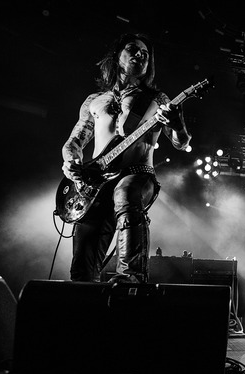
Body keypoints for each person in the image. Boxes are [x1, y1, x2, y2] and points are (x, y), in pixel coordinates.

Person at [62, 33, 191, 283]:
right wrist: (70, 162)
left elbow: (181, 143)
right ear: (117, 56)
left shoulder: (158, 100)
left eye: (145, 53)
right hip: (96, 181)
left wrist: (177, 125)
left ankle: (131, 277)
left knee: (126, 192)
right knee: (83, 263)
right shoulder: (95, 101)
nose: (140, 54)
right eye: (133, 49)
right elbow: (75, 142)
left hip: (138, 173)